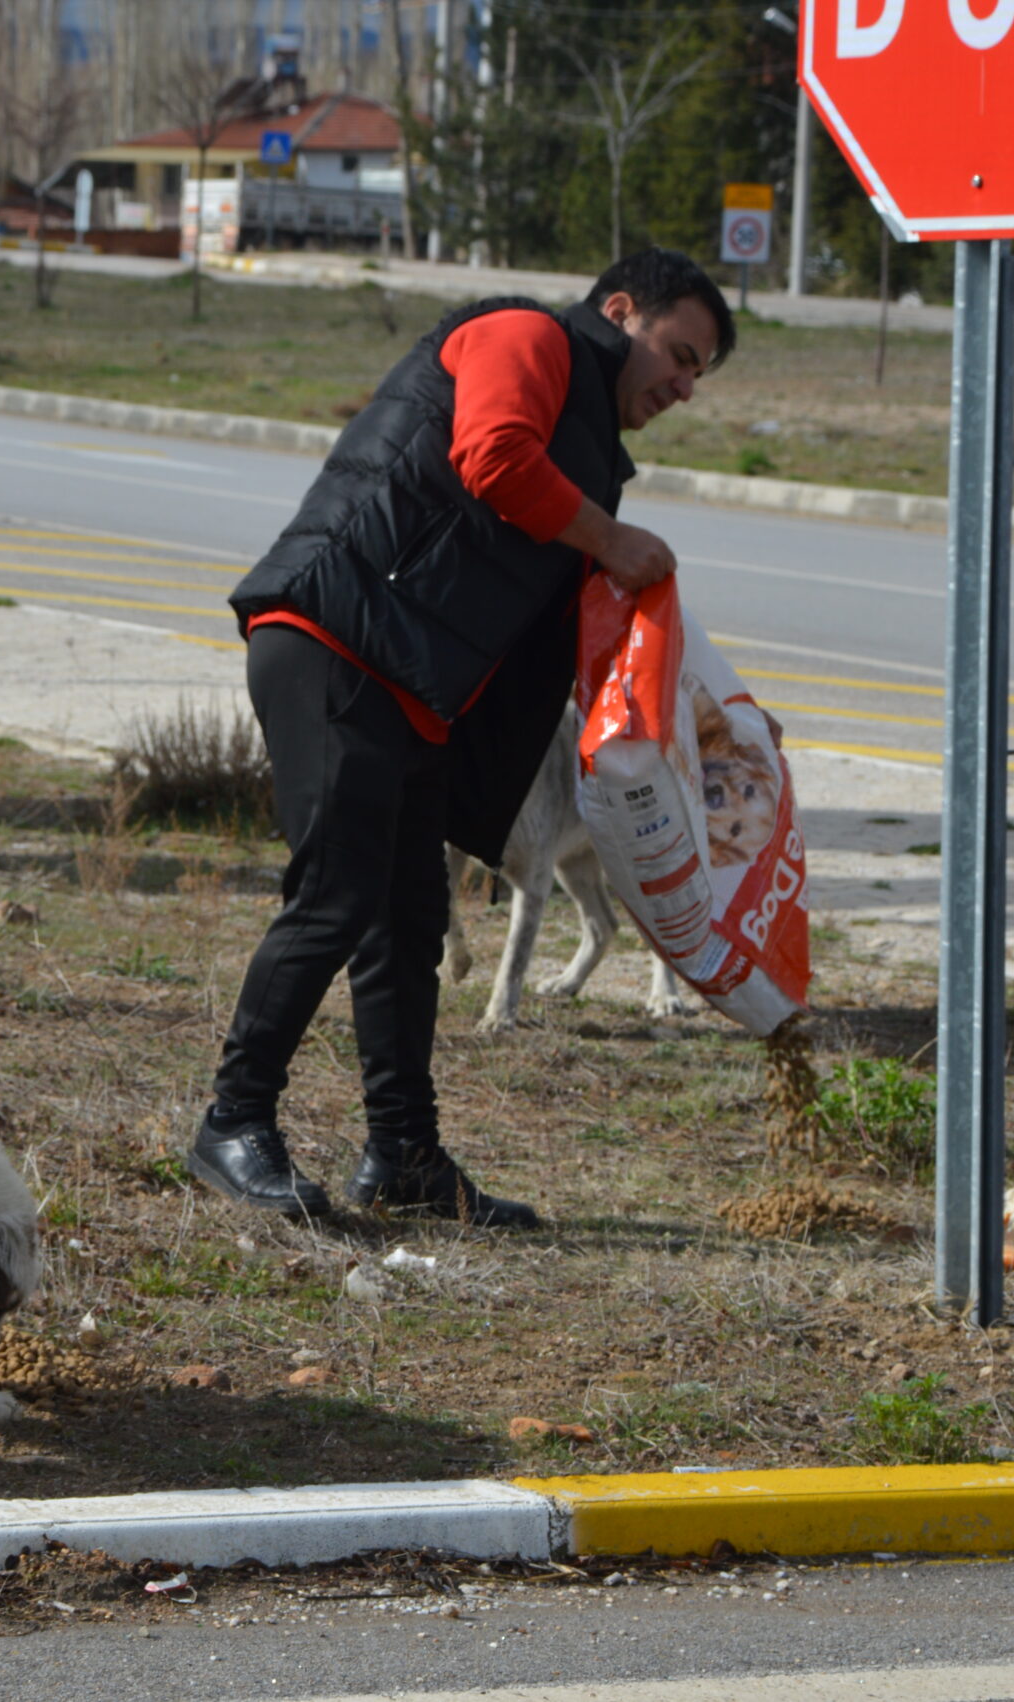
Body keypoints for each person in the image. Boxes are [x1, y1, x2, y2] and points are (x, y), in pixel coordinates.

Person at [190, 248, 735, 1227]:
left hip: (408, 685)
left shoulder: (589, 455)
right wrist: (608, 541)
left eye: (699, 373)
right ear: (618, 310)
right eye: (680, 353)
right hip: (332, 640)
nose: (684, 387)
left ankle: (402, 1155)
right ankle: (232, 1123)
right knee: (337, 893)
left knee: (408, 925)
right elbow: (490, 455)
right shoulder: (524, 337)